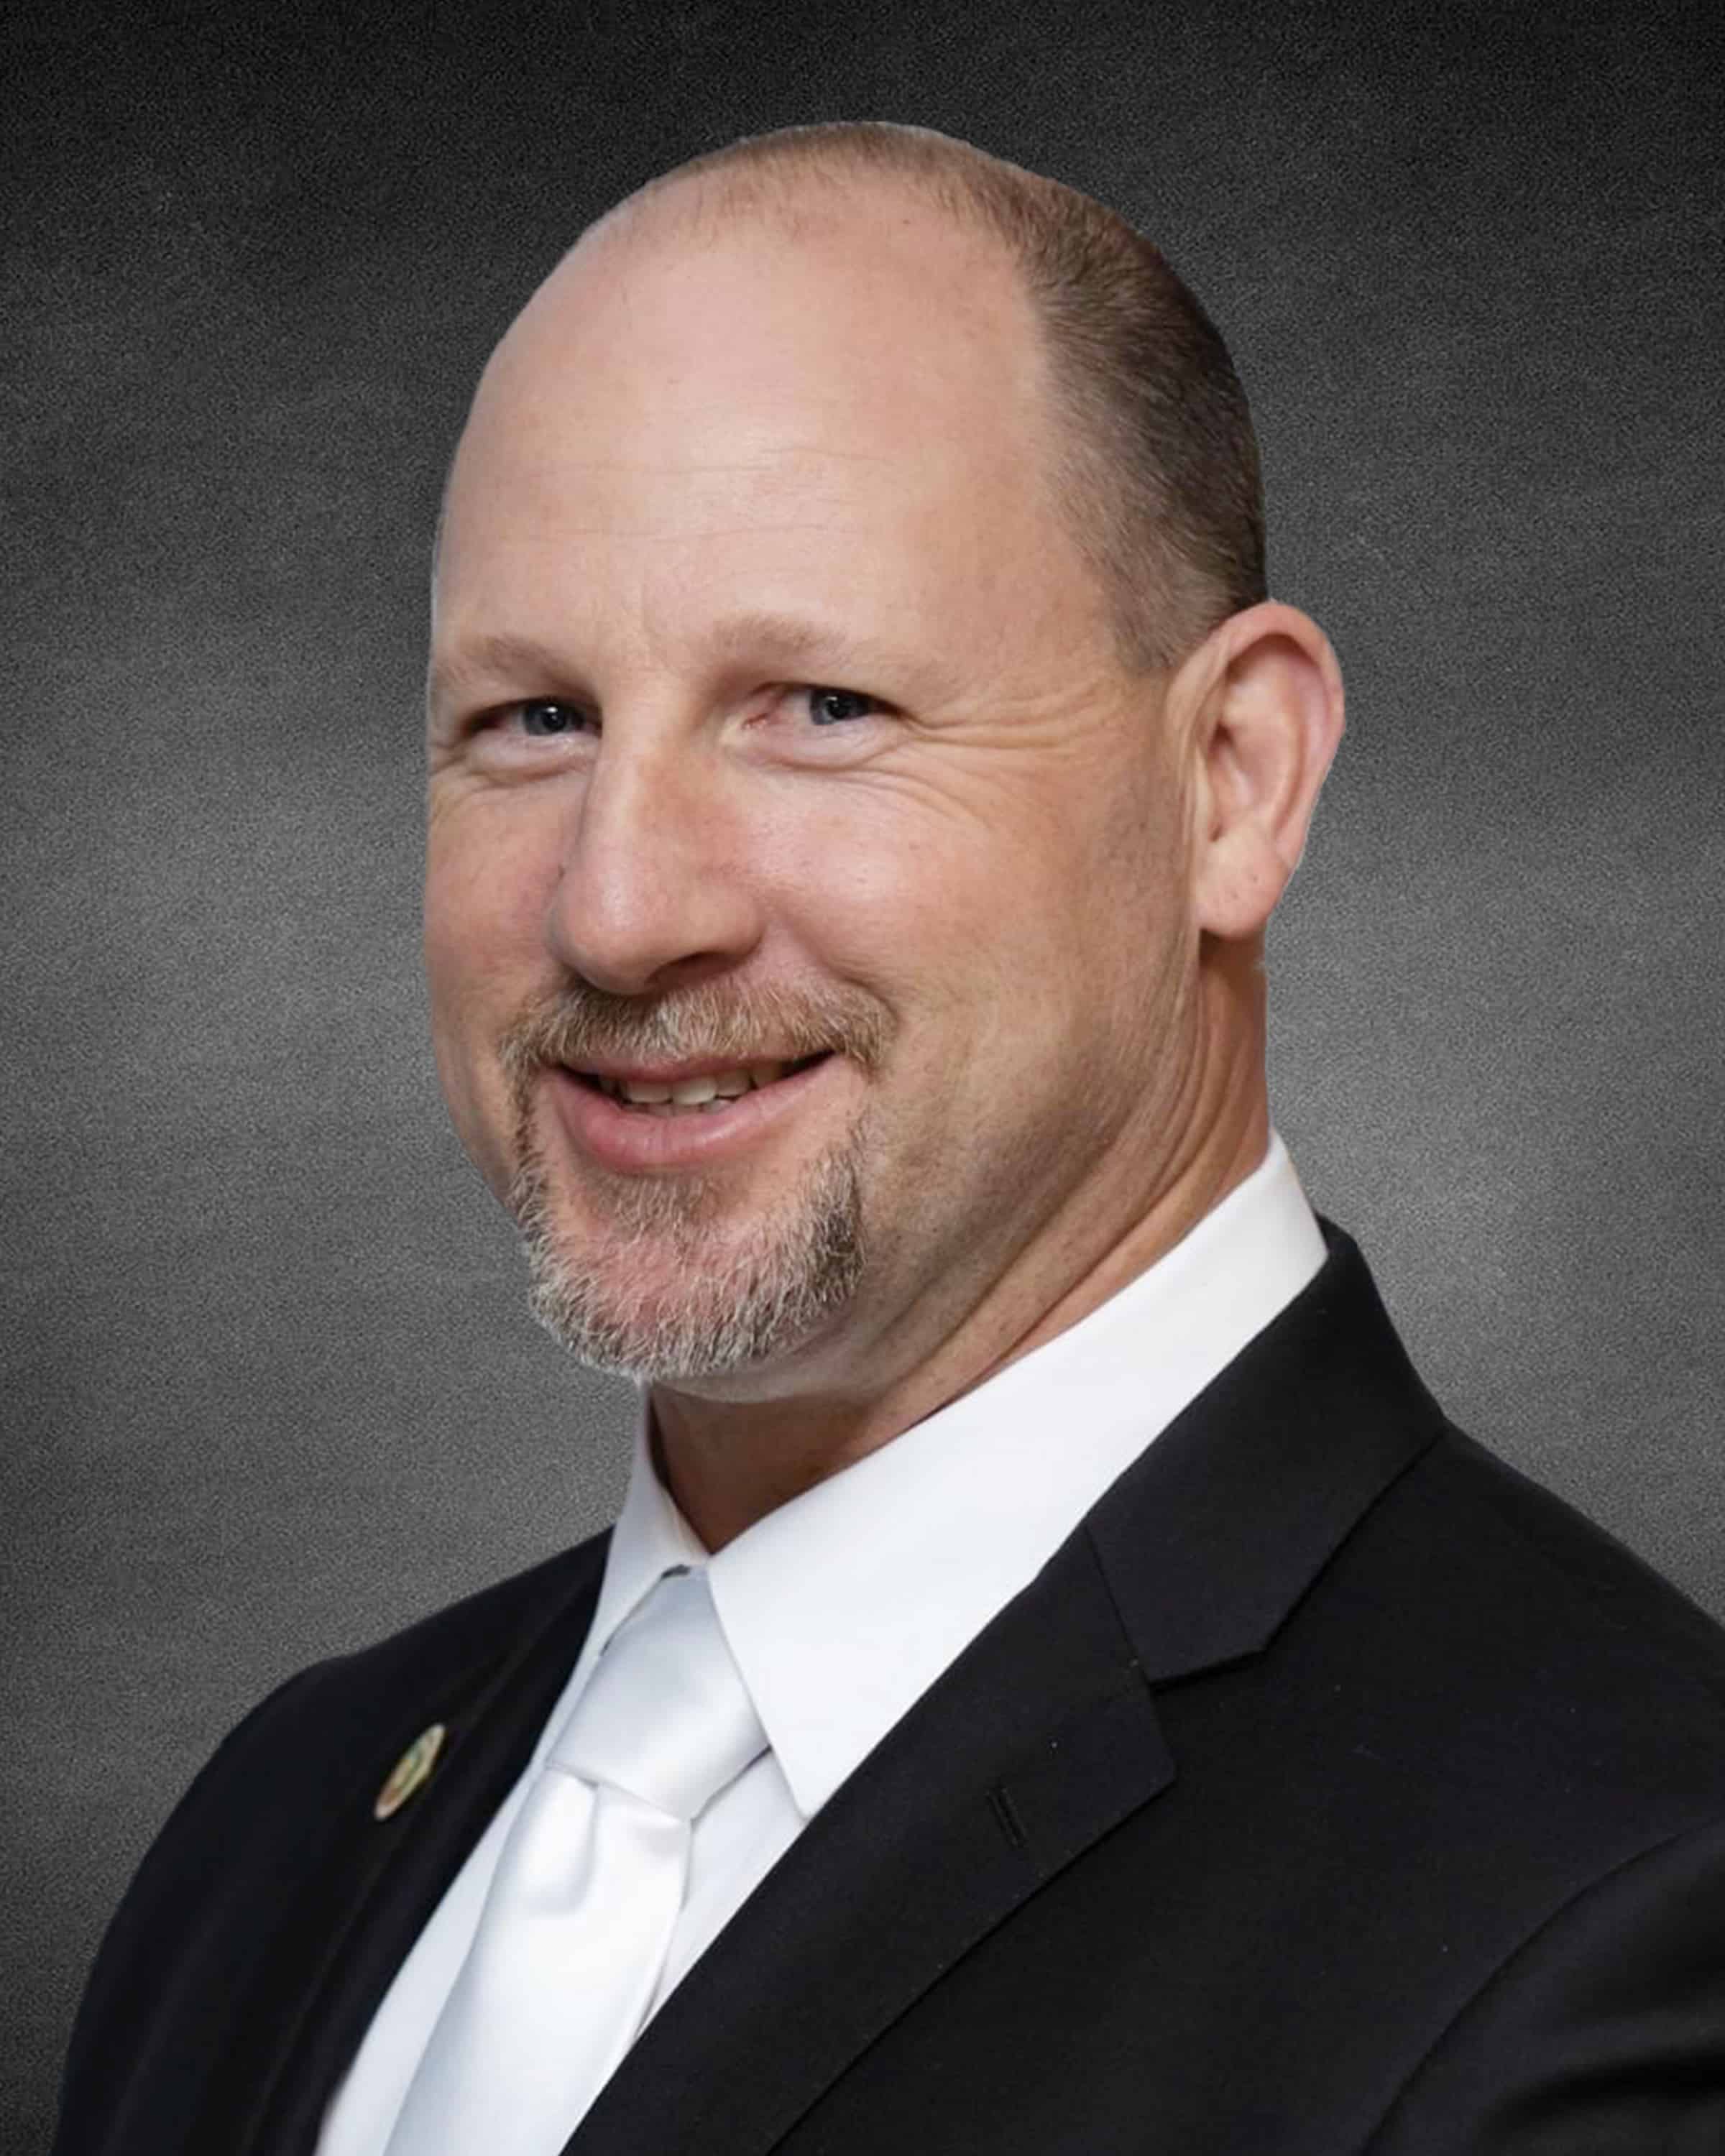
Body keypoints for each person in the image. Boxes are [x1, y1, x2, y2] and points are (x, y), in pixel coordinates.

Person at [52, 121, 1725, 2156]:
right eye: (534, 720)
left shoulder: (1624, 1917)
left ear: (1232, 782)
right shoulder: (279, 1833)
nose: (618, 906)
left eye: (822, 704)